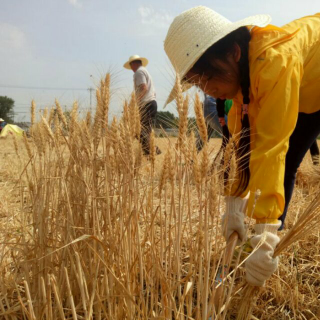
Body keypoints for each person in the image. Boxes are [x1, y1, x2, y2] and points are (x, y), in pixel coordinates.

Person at [164, 6, 320, 287]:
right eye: (200, 86)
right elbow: (241, 148)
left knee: (287, 158)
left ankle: (267, 238)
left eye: (209, 76)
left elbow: (271, 148)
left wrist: (264, 233)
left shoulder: (275, 63)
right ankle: (264, 235)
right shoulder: (240, 84)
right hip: (307, 90)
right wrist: (234, 204)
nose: (208, 91)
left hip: (314, 83)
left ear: (234, 52)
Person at [123, 55, 160, 156]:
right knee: (145, 131)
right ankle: (149, 153)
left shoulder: (139, 72)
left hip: (146, 104)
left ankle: (153, 150)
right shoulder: (145, 71)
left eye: (131, 65)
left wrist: (135, 102)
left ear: (133, 64)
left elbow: (144, 88)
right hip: (151, 103)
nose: (131, 68)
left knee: (139, 130)